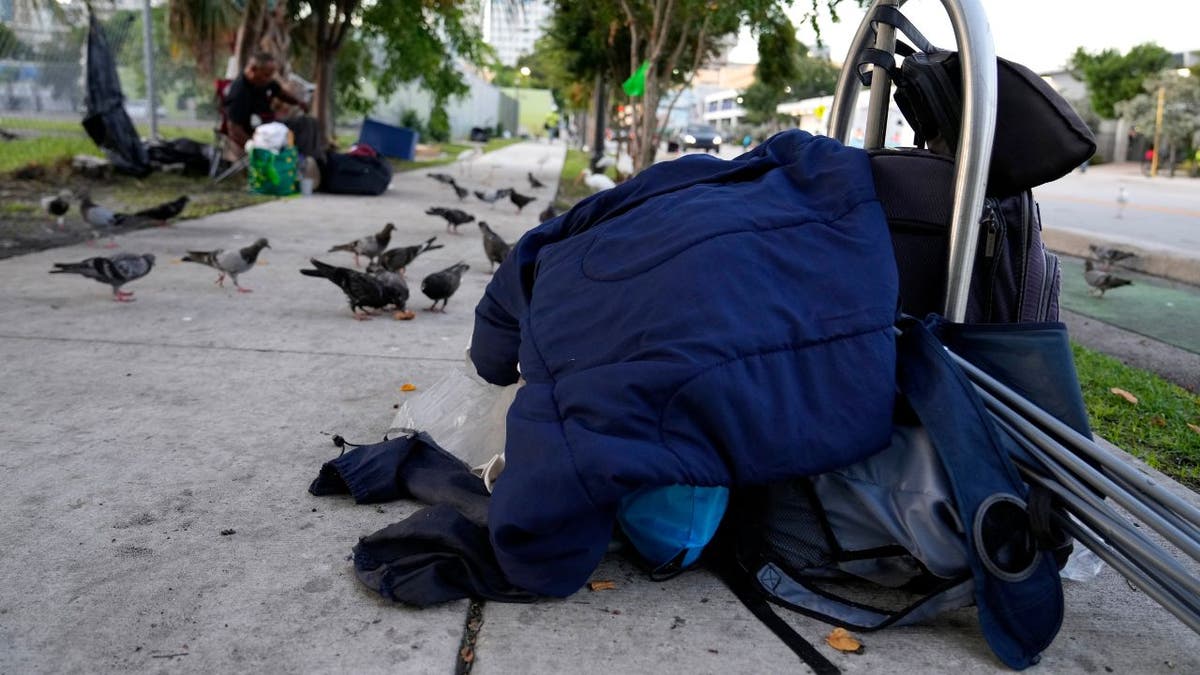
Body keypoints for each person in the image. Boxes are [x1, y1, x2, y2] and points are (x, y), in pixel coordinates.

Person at [223, 52, 326, 163]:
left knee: (310, 122)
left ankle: (313, 161)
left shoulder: (263, 81)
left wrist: (298, 102)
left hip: (272, 125)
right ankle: (307, 165)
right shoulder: (239, 92)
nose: (269, 78)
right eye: (267, 75)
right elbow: (233, 128)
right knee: (305, 125)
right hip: (260, 133)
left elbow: (280, 92)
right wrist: (253, 146)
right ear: (253, 70)